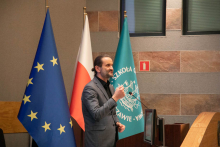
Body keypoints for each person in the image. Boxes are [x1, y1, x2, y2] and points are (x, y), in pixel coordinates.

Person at [81, 55, 126, 147]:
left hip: (111, 138)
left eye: (112, 65)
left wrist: (117, 122)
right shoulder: (90, 88)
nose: (111, 68)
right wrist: (115, 98)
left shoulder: (110, 87)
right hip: (98, 141)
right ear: (97, 68)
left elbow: (112, 112)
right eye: (108, 65)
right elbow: (96, 114)